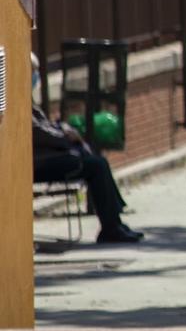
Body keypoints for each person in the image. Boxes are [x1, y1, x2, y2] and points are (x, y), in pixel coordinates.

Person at [29, 56, 142, 244]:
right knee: (96, 165)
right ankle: (112, 226)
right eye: (32, 71)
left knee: (96, 161)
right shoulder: (16, 100)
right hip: (40, 162)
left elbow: (44, 127)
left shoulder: (27, 99)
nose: (35, 77)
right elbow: (38, 132)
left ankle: (114, 223)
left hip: (48, 156)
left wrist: (63, 130)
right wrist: (65, 136)